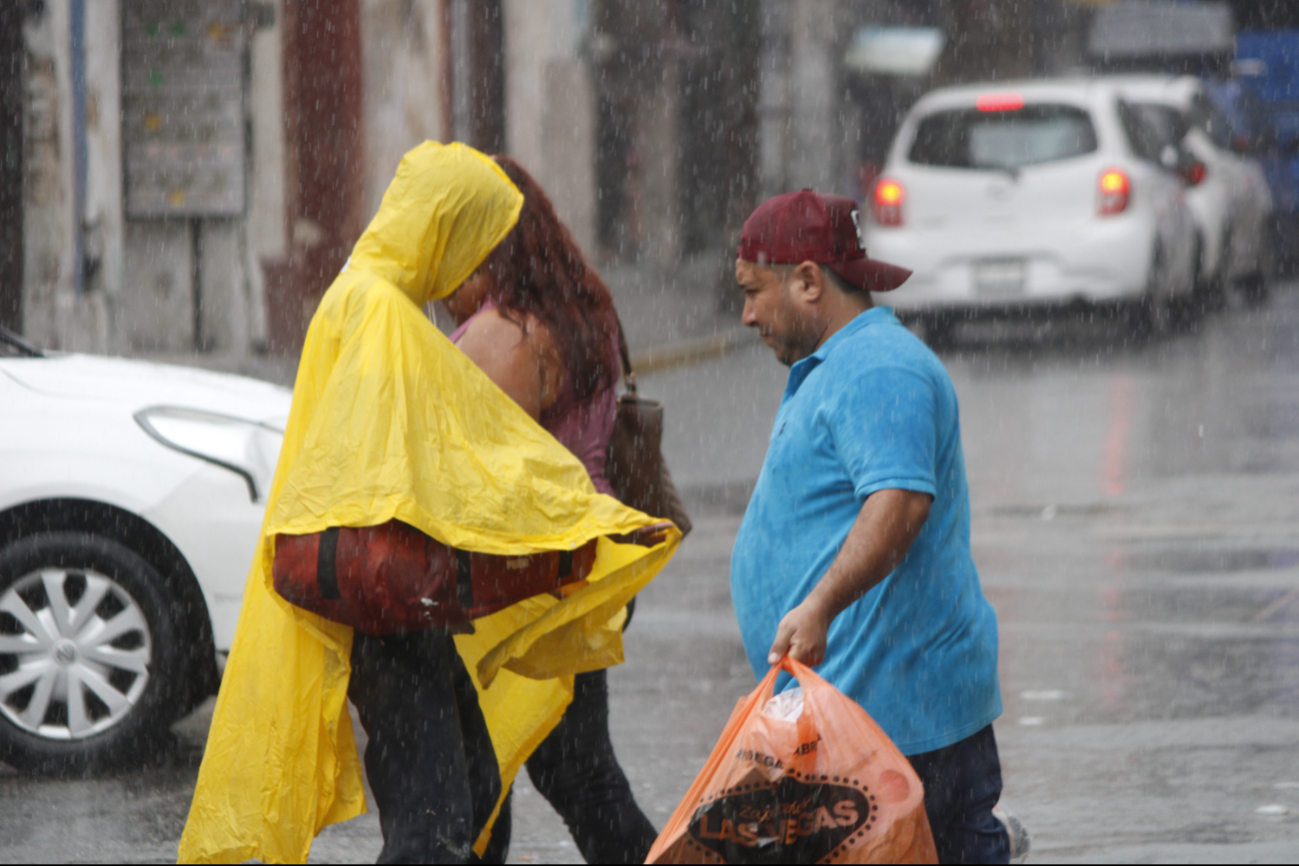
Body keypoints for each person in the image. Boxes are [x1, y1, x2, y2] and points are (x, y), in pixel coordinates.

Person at [177, 142, 680, 866]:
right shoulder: (384, 313)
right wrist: (588, 520)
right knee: (437, 814)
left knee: (468, 785)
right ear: (442, 232)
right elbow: (455, 461)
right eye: (472, 240)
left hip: (393, 589)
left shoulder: (368, 297)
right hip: (390, 589)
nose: (475, 266)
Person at [728, 189, 1009, 864]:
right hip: (856, 715)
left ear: (806, 280)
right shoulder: (838, 364)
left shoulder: (878, 367)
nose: (744, 315)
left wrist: (820, 605)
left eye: (752, 292)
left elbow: (899, 503)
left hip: (897, 715)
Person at [443, 155, 659, 865]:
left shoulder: (504, 334)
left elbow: (476, 472)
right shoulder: (579, 306)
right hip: (575, 562)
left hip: (526, 579)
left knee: (493, 777)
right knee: (570, 772)